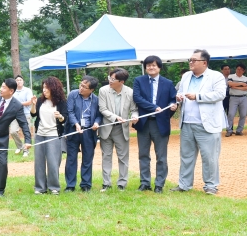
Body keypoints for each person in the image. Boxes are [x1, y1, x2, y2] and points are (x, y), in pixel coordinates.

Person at [174, 49, 227, 195]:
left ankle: (211, 185)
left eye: (194, 60)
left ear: (204, 62)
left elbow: (220, 94)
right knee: (186, 156)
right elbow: (178, 91)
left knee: (209, 157)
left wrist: (198, 96)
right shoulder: (186, 76)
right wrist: (178, 98)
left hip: (207, 124)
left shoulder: (216, 76)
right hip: (187, 123)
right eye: (190, 60)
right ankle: (184, 185)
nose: (191, 62)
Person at [132, 55, 178, 193]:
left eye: (154, 65)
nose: (151, 67)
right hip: (144, 123)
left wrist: (172, 107)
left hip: (160, 124)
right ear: (145, 67)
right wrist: (154, 107)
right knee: (143, 155)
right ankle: (145, 182)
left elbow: (172, 99)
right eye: (148, 65)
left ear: (159, 67)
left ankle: (159, 184)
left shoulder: (168, 83)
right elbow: (137, 98)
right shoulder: (139, 81)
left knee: (161, 156)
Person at [97, 68, 138, 192]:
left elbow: (134, 109)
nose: (110, 80)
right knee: (106, 156)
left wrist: (135, 116)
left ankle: (122, 184)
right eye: (110, 77)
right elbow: (102, 109)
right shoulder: (103, 90)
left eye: (113, 79)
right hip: (106, 128)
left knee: (123, 157)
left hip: (122, 129)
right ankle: (106, 184)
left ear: (122, 81)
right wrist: (115, 117)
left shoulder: (130, 92)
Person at [64, 75, 103, 192]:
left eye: (84, 87)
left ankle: (85, 185)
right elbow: (70, 111)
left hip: (89, 131)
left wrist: (96, 123)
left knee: (87, 158)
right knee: (71, 158)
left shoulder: (96, 99)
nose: (81, 88)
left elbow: (99, 115)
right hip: (73, 130)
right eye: (81, 85)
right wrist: (76, 124)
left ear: (91, 90)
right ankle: (70, 185)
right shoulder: (73, 94)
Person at [30, 77, 67, 195]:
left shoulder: (61, 102)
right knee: (39, 162)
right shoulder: (41, 100)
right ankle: (40, 188)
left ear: (54, 88)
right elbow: (33, 114)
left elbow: (65, 118)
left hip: (53, 135)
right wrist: (33, 105)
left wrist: (60, 116)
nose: (44, 90)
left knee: (53, 161)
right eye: (43, 87)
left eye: (47, 88)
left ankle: (54, 187)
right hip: (40, 134)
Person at [9, 75, 35, 158]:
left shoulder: (27, 90)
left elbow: (29, 102)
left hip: (26, 113)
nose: (19, 81)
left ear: (23, 81)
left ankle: (26, 151)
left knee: (26, 132)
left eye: (20, 80)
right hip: (14, 114)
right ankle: (20, 146)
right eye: (17, 80)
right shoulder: (13, 91)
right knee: (12, 131)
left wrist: (18, 104)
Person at [226, 63, 247, 137]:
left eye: (240, 69)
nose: (239, 70)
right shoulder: (231, 76)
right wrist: (242, 84)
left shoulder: (246, 78)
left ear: (243, 70)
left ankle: (239, 130)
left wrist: (235, 86)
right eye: (237, 69)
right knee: (231, 114)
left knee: (243, 114)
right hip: (233, 97)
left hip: (243, 97)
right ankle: (229, 130)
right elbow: (230, 84)